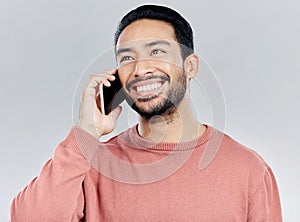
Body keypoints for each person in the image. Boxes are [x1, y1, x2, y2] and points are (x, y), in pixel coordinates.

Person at [10, 4, 282, 221]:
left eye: (157, 51)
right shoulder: (90, 164)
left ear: (191, 66)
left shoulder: (249, 170)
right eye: (127, 58)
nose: (141, 69)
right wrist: (85, 136)